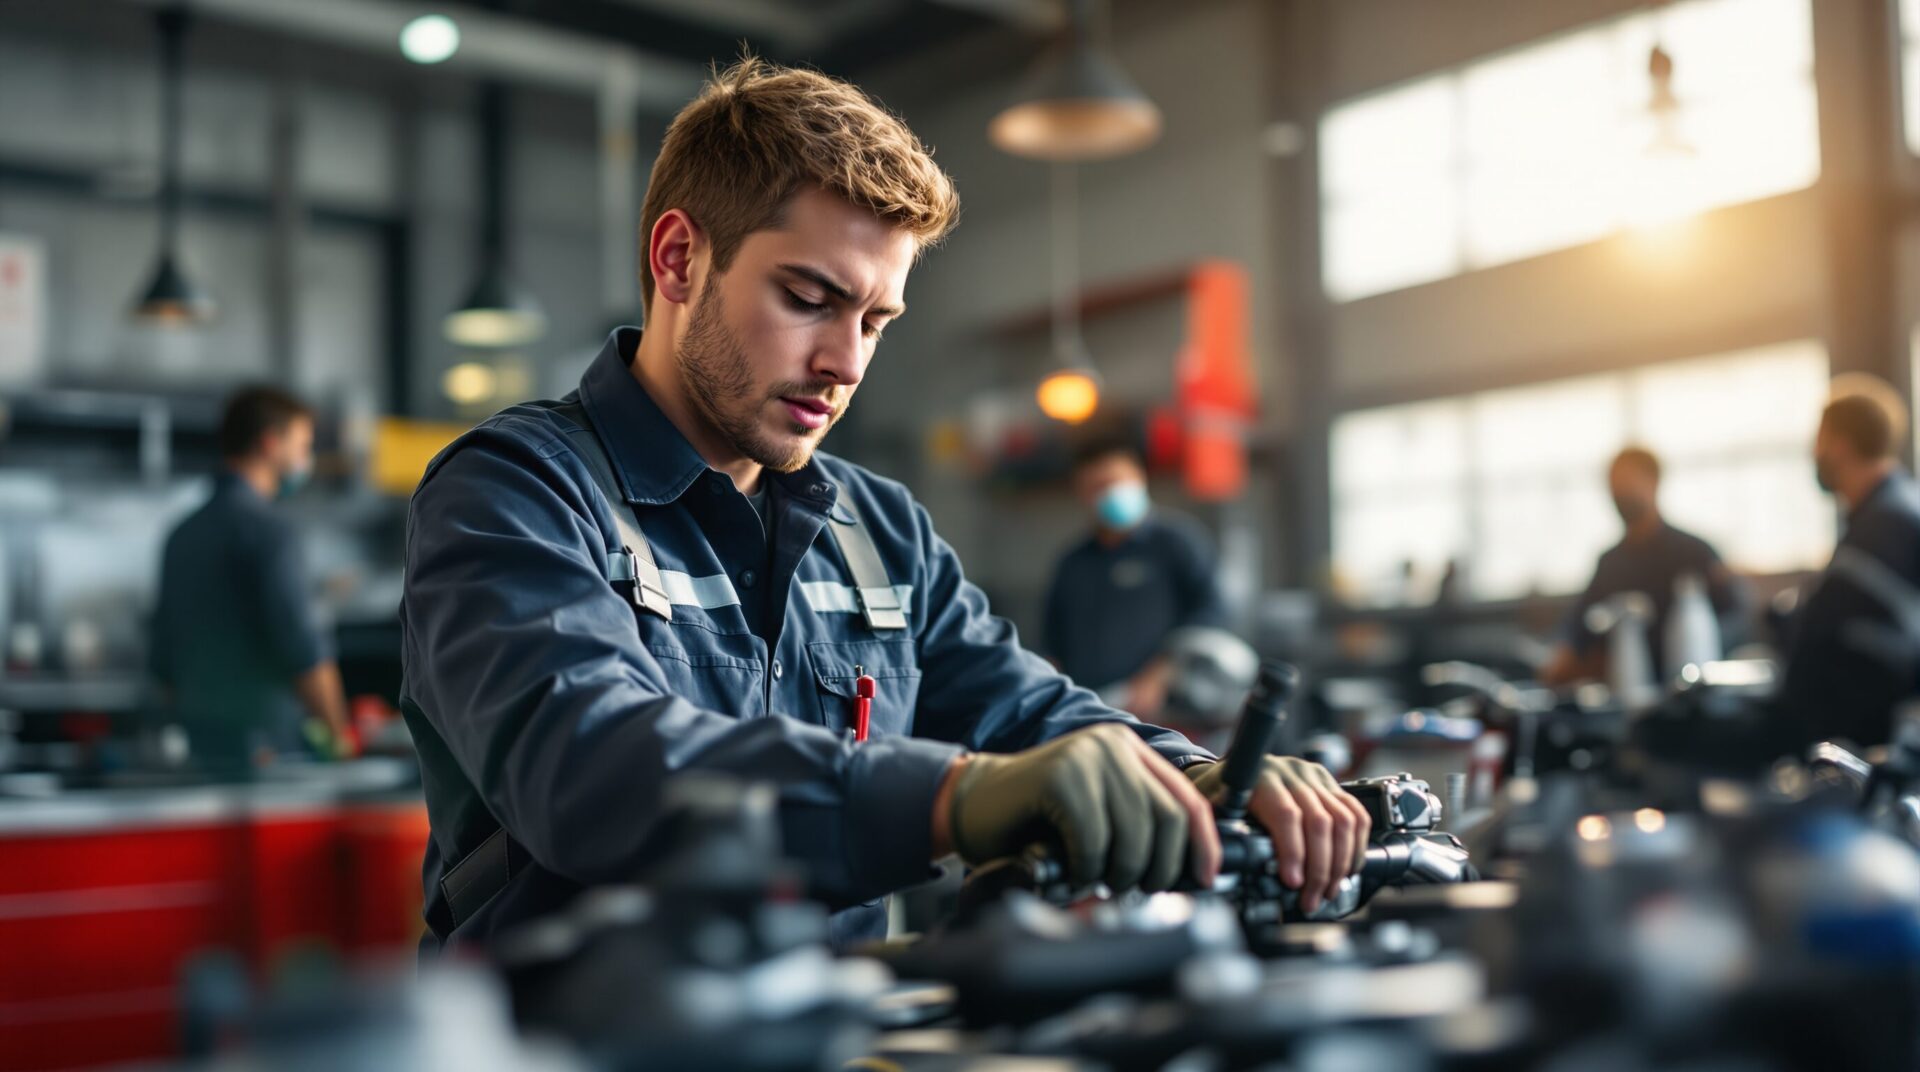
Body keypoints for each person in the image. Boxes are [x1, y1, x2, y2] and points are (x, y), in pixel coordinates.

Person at [399, 58, 1367, 953]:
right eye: (811, 298)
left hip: (832, 1028)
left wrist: (1189, 773)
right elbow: (593, 765)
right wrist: (955, 795)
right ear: (680, 258)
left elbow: (1023, 707)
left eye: (875, 321)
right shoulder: (514, 493)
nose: (847, 363)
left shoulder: (878, 533)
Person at [151, 386, 351, 774]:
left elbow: (163, 663)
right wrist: (339, 737)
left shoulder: (181, 534)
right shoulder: (270, 531)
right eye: (302, 444)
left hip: (199, 750)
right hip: (269, 753)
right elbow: (304, 650)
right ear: (271, 443)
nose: (306, 459)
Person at [1773, 374, 1920, 749]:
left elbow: (1823, 639)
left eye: (1817, 441)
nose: (1813, 453)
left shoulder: (1883, 529)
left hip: (1873, 744)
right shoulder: (1895, 509)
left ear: (1837, 445)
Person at [1042, 436, 1227, 717]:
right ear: (1082, 494)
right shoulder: (1073, 562)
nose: (1110, 492)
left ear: (1139, 478)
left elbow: (1211, 612)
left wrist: (1161, 675)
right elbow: (1052, 638)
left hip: (1166, 711)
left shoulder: (1176, 542)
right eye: (1098, 487)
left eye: (1117, 481)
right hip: (1091, 710)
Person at [1540, 446, 1748, 687]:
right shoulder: (1610, 562)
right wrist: (1565, 652)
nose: (1619, 493)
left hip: (1688, 687)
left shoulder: (1695, 553)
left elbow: (1736, 617)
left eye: (1627, 483)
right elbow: (1578, 622)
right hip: (1624, 687)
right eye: (1613, 486)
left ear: (1654, 482)